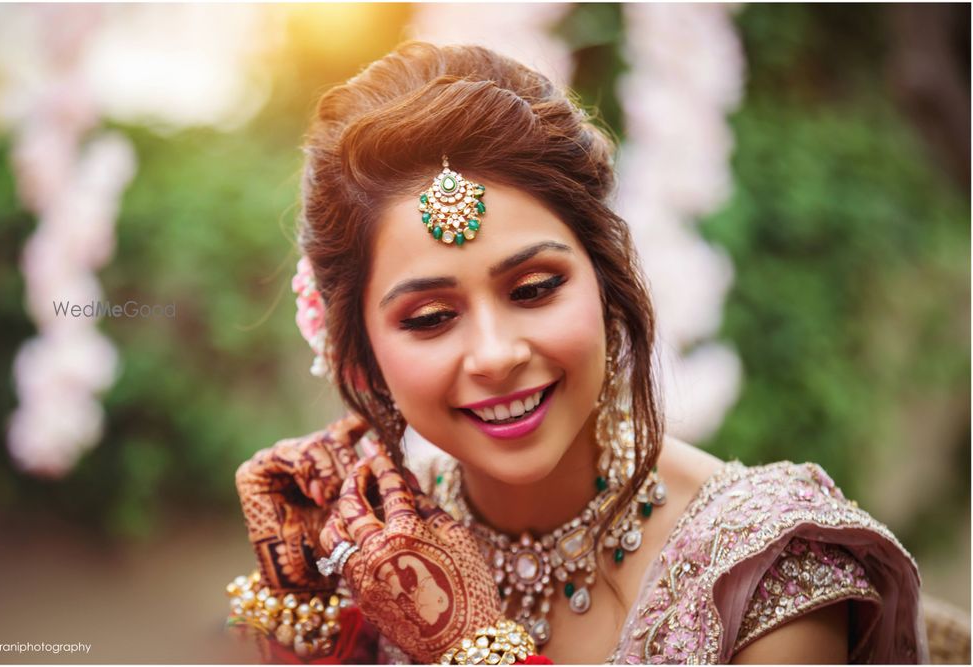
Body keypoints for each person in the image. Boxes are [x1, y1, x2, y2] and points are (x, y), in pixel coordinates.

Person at [226, 41, 927, 664]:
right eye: (433, 317)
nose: (496, 354)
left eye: (534, 288)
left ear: (606, 280)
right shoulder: (371, 552)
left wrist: (473, 650)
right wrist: (312, 609)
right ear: (358, 353)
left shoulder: (765, 567)